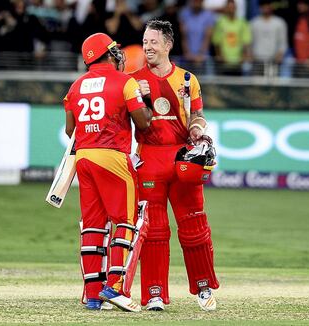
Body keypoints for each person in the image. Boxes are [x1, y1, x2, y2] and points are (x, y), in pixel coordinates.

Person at [130, 19, 219, 312]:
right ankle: (154, 294)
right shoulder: (133, 80)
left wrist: (197, 130)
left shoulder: (187, 79)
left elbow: (199, 115)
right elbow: (125, 120)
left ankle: (204, 288)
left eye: (153, 42)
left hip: (182, 159)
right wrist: (137, 97)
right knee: (154, 231)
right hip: (149, 157)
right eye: (145, 42)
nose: (147, 47)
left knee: (194, 226)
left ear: (168, 45)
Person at [64, 32, 153, 312]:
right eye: (114, 50)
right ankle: (114, 287)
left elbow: (70, 130)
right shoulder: (125, 81)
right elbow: (144, 122)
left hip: (85, 158)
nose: (119, 54)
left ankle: (93, 295)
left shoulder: (76, 86)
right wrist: (145, 100)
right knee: (127, 221)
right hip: (113, 156)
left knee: (92, 224)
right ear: (108, 53)